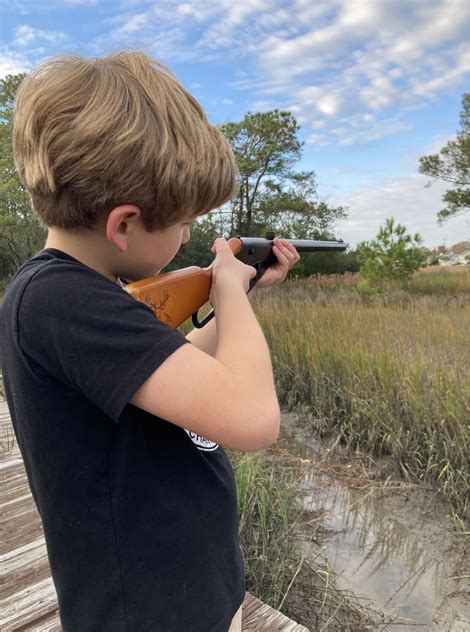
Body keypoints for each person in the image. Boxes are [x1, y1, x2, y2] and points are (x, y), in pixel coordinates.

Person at [0, 50, 300, 632]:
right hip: (148, 611)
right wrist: (230, 293)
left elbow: (179, 366)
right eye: (184, 223)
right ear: (124, 225)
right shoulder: (61, 301)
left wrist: (244, 290)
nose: (189, 235)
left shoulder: (79, 293)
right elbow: (254, 418)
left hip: (185, 593)